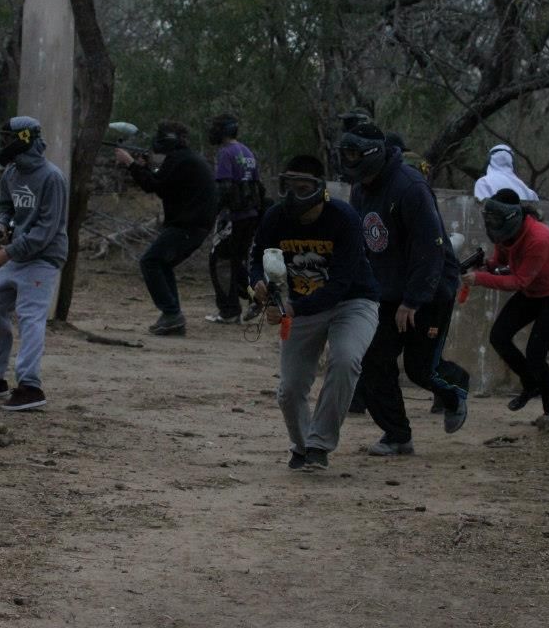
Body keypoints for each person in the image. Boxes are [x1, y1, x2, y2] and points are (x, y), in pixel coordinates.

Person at [341, 123, 470, 456]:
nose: (350, 162)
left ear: (373, 155)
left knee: (419, 368)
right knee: (373, 360)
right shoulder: (360, 188)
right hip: (386, 290)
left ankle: (456, 390)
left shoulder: (411, 187)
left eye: (356, 155)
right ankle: (397, 434)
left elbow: (431, 249)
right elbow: (359, 240)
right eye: (346, 154)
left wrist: (413, 300)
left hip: (429, 288)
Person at [249, 155, 380, 471]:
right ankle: (302, 444)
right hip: (300, 306)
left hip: (353, 303)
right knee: (291, 388)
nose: (294, 194)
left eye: (303, 186)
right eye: (289, 186)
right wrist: (258, 284)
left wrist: (291, 308)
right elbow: (256, 258)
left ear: (320, 188)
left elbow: (340, 284)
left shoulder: (344, 218)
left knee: (346, 360)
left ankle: (319, 444)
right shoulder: (275, 217)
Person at [0, 116, 68, 410]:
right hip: (16, 255)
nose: (2, 144)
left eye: (7, 137)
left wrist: (6, 253)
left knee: (30, 317)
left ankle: (30, 387)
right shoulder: (11, 173)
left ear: (24, 139)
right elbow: (5, 210)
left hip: (43, 258)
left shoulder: (52, 178)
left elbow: (46, 231)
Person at [461, 188, 549, 424]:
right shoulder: (505, 234)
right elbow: (500, 262)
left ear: (512, 218)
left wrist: (480, 279)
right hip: (533, 291)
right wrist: (485, 265)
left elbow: (517, 281)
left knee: (536, 353)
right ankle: (531, 383)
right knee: (499, 336)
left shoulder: (538, 239)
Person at [116, 121, 217, 336]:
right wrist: (141, 167)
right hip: (194, 225)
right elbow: (160, 184)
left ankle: (172, 314)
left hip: (188, 225)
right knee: (162, 264)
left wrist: (130, 163)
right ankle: (173, 317)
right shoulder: (183, 159)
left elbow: (154, 185)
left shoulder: (180, 159)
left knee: (150, 262)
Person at [204, 113, 264, 325]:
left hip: (233, 217)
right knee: (236, 260)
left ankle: (229, 311)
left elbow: (225, 187)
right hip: (250, 215)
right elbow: (258, 185)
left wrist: (212, 214)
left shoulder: (225, 153)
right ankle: (256, 296)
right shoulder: (247, 151)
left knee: (219, 260)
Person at [474, 144, 539, 202]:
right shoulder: (526, 190)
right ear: (512, 162)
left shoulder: (483, 183)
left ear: (489, 160)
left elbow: (481, 210)